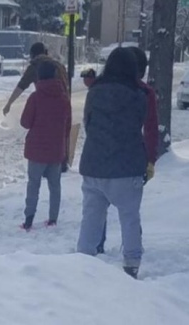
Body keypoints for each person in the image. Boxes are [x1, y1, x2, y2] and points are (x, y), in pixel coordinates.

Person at [76, 47, 150, 279]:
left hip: (94, 164)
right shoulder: (139, 96)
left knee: (90, 218)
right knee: (129, 218)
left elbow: (88, 122)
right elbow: (141, 125)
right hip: (127, 167)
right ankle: (131, 265)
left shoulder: (94, 91)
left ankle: (81, 264)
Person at [94, 46, 159, 254]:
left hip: (100, 154)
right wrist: (150, 159)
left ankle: (98, 242)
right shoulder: (144, 92)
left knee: (98, 205)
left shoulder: (102, 87)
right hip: (131, 158)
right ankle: (132, 251)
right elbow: (150, 128)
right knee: (130, 211)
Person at [19, 61, 72, 231]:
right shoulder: (64, 98)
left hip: (36, 150)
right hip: (56, 150)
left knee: (33, 185)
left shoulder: (35, 97)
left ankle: (29, 219)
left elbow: (25, 122)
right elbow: (68, 125)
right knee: (55, 186)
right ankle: (53, 219)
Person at [3, 42, 69, 116]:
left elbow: (21, 86)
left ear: (32, 55)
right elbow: (66, 86)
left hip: (44, 106)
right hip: (61, 106)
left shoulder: (34, 67)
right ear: (46, 52)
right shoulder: (59, 66)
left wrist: (9, 103)